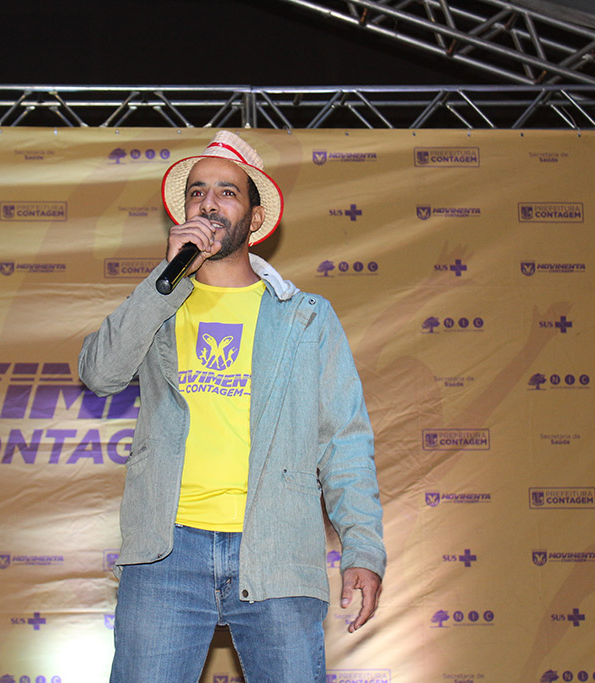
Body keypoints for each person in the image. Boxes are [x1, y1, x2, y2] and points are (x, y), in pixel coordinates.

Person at [79, 131, 386, 682]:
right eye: (197, 192)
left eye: (227, 192)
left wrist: (362, 549)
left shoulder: (304, 317)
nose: (209, 203)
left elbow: (345, 442)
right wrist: (161, 283)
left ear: (254, 215)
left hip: (277, 548)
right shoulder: (159, 304)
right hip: (166, 552)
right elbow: (100, 373)